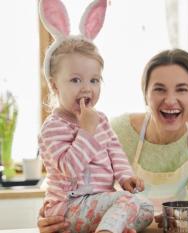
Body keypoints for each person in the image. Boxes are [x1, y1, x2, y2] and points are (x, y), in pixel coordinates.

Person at [38, 48, 188, 232]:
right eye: (159, 89)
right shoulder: (114, 127)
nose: (170, 100)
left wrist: (125, 177)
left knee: (144, 208)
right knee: (132, 202)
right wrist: (47, 215)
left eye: (182, 90)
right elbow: (61, 178)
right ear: (145, 95)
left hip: (168, 225)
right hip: (86, 210)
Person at [38, 0, 153, 232]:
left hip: (98, 204)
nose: (86, 88)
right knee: (127, 204)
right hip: (68, 206)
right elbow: (70, 168)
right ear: (54, 86)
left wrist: (125, 177)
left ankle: (110, 228)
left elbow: (115, 153)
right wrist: (86, 131)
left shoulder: (100, 120)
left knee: (146, 209)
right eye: (75, 80)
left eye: (94, 80)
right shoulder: (52, 128)